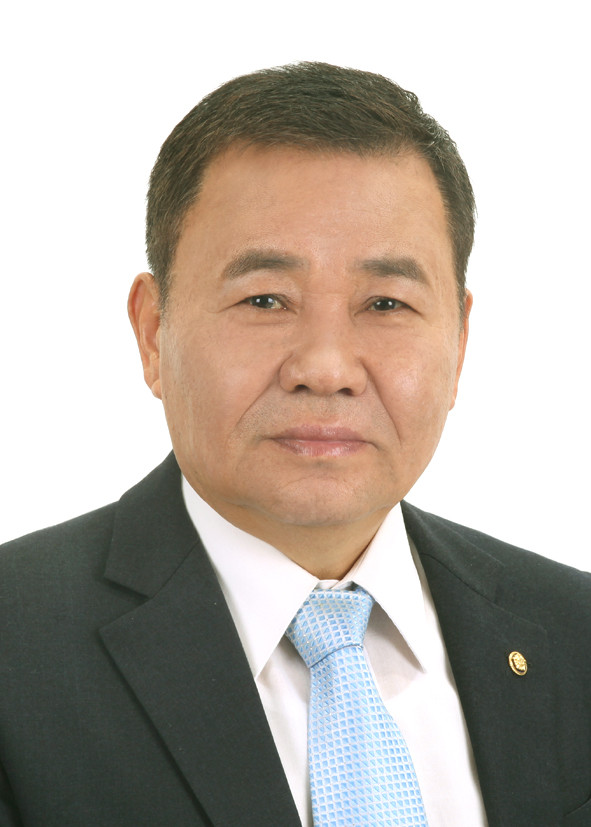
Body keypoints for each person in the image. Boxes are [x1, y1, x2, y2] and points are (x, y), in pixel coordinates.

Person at [1, 62, 590, 827]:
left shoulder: (573, 635)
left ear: (459, 341)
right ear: (152, 332)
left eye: (386, 303)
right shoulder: (18, 648)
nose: (326, 367)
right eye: (264, 299)